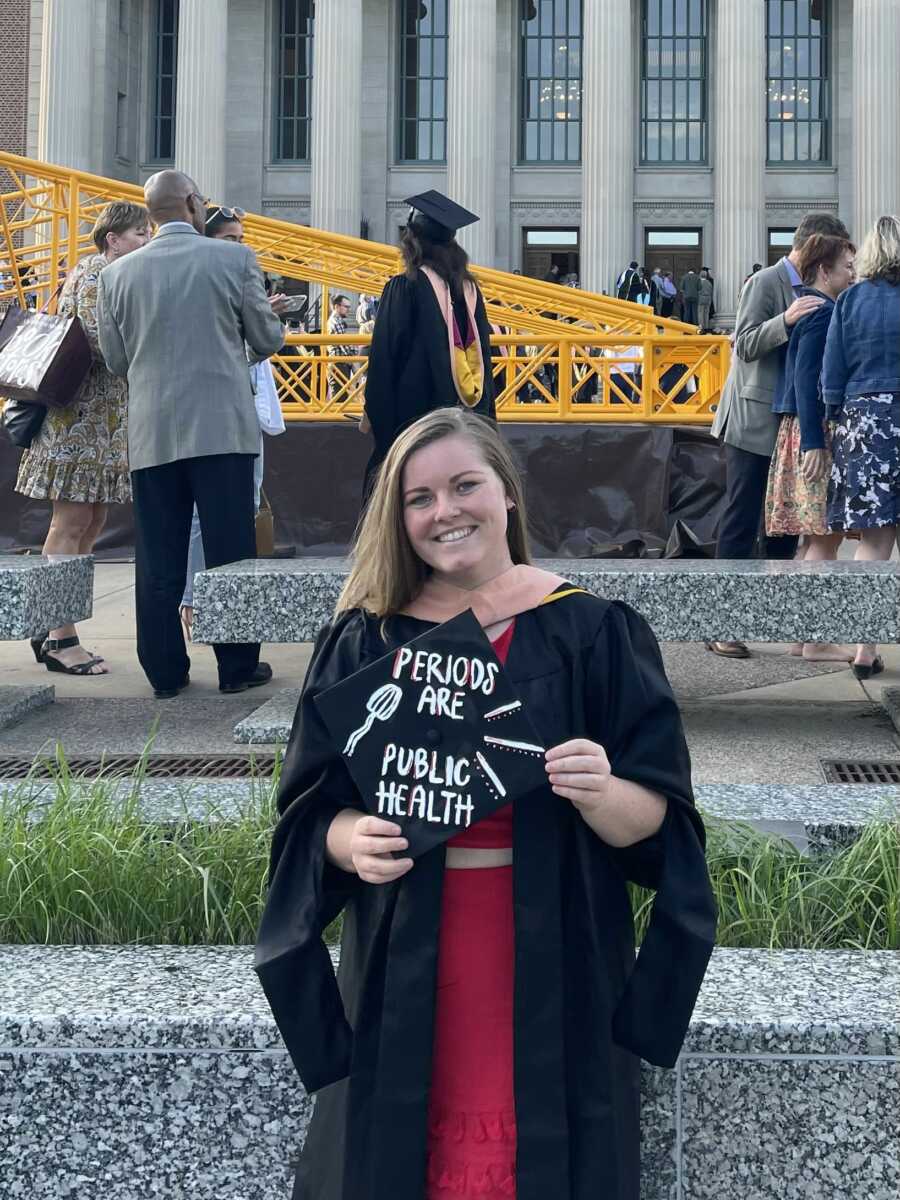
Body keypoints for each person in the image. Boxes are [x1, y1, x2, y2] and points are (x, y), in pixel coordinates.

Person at [254, 406, 716, 1200]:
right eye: (419, 498)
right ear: (398, 520)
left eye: (465, 485)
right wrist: (349, 837)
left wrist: (604, 794)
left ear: (506, 492)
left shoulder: (591, 632)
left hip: (557, 950)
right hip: (404, 954)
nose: (446, 511)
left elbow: (662, 825)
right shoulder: (367, 640)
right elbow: (308, 812)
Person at [97, 170, 284, 698]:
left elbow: (115, 360)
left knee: (158, 555)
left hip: (152, 431)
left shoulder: (115, 277)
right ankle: (236, 667)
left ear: (150, 212)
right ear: (192, 204)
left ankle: (164, 672)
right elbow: (267, 337)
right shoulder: (234, 259)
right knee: (230, 552)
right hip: (222, 428)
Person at [707, 211, 851, 659]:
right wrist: (785, 320)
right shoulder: (765, 283)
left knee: (785, 529)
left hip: (783, 425)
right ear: (812, 247)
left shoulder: (818, 290)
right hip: (752, 422)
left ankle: (784, 621)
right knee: (740, 517)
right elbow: (743, 342)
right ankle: (721, 624)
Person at [16, 200, 151, 676]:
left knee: (89, 525)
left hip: (100, 423)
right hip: (78, 424)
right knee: (71, 525)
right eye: (138, 233)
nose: (146, 240)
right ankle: (59, 636)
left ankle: (55, 625)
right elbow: (100, 342)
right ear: (112, 238)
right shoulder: (96, 274)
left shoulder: (113, 274)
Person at [179, 204, 289, 637]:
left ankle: (226, 608)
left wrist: (265, 315)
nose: (240, 248)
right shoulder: (202, 284)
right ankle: (193, 601)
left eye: (242, 240)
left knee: (243, 507)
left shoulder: (237, 278)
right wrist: (266, 326)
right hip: (210, 414)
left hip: (242, 411)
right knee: (199, 517)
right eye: (230, 240)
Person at [362, 190, 496, 492]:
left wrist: (382, 431)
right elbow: (486, 358)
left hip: (415, 424)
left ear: (412, 241)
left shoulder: (404, 287)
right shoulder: (470, 291)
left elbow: (384, 360)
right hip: (467, 421)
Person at [765, 233, 856, 662]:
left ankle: (805, 635)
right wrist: (817, 443)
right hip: (813, 430)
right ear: (825, 270)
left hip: (800, 429)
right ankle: (816, 637)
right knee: (825, 537)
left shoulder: (809, 308)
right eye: (847, 267)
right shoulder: (823, 312)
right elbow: (807, 378)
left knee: (811, 540)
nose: (853, 274)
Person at [822, 214, 900, 680]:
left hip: (866, 422)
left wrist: (836, 420)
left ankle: (863, 650)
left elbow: (832, 374)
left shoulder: (850, 300)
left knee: (873, 542)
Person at [326, 294, 356, 400]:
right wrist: (356, 354)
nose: (348, 310)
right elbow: (345, 346)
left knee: (339, 397)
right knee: (340, 399)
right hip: (339, 364)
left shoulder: (334, 321)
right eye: (346, 307)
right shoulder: (336, 322)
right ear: (336, 306)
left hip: (337, 364)